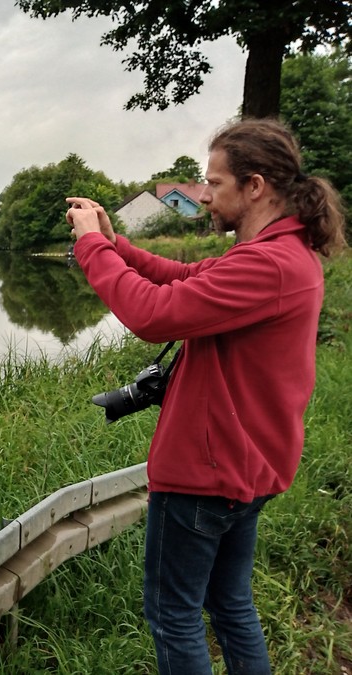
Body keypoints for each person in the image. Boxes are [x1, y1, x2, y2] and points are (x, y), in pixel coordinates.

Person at [65, 117, 347, 674]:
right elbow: (184, 275)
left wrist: (92, 247)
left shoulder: (268, 264)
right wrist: (116, 245)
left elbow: (153, 314)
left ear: (255, 186)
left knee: (174, 615)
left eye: (215, 183)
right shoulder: (279, 253)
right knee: (230, 604)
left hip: (208, 472)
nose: (205, 195)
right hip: (245, 466)